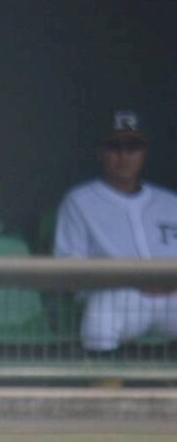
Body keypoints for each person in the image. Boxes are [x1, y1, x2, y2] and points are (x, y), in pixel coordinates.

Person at [54, 110, 177, 352]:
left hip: (172, 296)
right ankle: (102, 377)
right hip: (119, 295)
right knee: (102, 312)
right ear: (100, 152)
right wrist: (128, 281)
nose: (124, 155)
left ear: (144, 152)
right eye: (114, 146)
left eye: (132, 147)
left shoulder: (169, 202)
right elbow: (69, 268)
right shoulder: (79, 201)